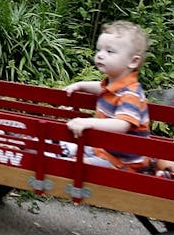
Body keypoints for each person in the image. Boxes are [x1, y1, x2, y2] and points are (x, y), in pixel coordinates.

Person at [60, 21, 153, 170]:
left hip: (123, 162)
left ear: (133, 61)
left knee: (78, 166)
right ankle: (59, 151)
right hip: (104, 150)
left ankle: (61, 158)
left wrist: (88, 122)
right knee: (67, 146)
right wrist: (81, 85)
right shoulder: (115, 86)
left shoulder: (131, 94)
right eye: (99, 50)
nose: (100, 55)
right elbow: (101, 88)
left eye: (109, 52)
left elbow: (122, 124)